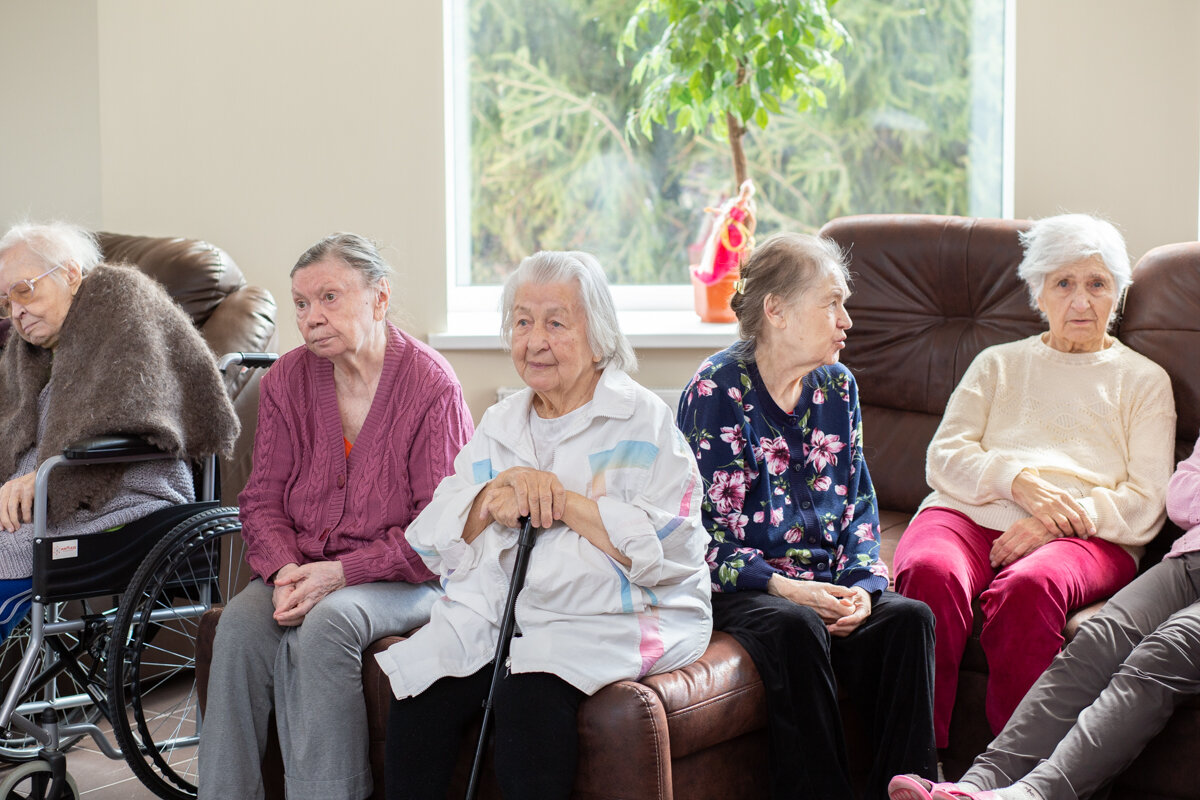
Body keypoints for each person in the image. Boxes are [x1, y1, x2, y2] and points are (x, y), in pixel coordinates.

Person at [379, 250, 712, 800]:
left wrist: (563, 502)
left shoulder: (642, 418)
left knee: (528, 696)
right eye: (522, 322)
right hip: (503, 613)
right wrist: (492, 496)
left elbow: (671, 549)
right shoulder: (502, 422)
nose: (535, 340)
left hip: (613, 614)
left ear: (598, 335)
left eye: (555, 323)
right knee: (421, 686)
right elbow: (434, 540)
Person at [198, 233, 474, 800]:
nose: (311, 317)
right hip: (301, 570)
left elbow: (441, 530)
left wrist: (341, 574)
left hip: (409, 577)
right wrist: (281, 571)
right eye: (300, 303)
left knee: (327, 625)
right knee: (238, 630)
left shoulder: (430, 386)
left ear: (379, 298)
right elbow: (261, 499)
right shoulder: (285, 382)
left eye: (329, 297)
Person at [892, 214, 1177, 750]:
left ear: (1117, 294)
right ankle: (917, 759)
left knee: (1030, 588)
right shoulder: (997, 365)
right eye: (1063, 283)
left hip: (1088, 536)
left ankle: (1014, 771)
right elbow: (943, 457)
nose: (1081, 302)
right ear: (1037, 292)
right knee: (929, 571)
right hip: (966, 513)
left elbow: (1146, 503)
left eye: (1097, 284)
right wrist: (1017, 481)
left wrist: (1055, 520)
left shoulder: (1144, 382)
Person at [676, 232, 937, 800]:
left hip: (825, 579)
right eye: (832, 303)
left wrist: (864, 587)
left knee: (909, 619)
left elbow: (859, 504)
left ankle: (913, 792)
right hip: (749, 585)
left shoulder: (838, 387)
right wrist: (788, 589)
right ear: (777, 310)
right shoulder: (716, 391)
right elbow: (701, 537)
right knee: (795, 627)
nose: (846, 320)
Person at [889, 430, 1200, 800]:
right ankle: (980, 783)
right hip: (1190, 559)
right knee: (1099, 637)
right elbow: (1180, 496)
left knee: (1168, 647)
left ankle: (1035, 794)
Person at [0, 221, 237, 640]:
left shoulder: (120, 298)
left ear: (71, 274)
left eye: (24, 289)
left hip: (131, 498)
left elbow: (134, 409)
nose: (16, 310)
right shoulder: (30, 350)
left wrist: (41, 477)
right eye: (5, 301)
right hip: (53, 499)